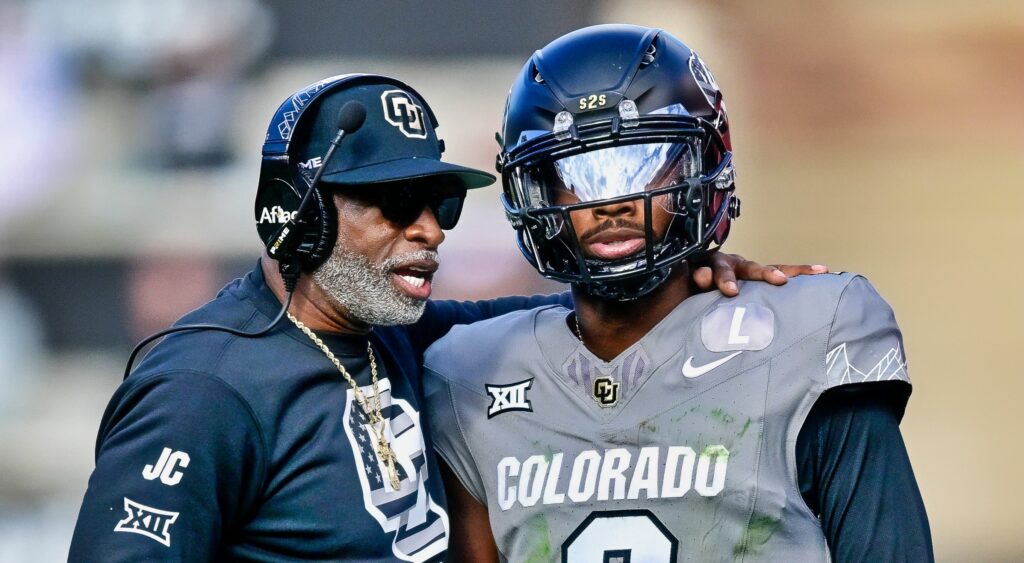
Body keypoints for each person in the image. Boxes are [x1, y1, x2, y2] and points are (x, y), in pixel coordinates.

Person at [68, 73, 821, 561]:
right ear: (298, 216)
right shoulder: (203, 389)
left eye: (443, 202)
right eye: (397, 203)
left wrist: (686, 278)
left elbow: (568, 315)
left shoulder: (397, 332)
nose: (430, 228)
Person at [424, 25, 933, 563]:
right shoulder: (469, 372)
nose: (610, 203)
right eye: (580, 172)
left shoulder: (805, 335)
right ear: (533, 191)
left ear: (703, 167)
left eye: (639, 165)